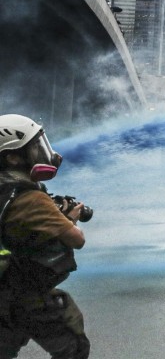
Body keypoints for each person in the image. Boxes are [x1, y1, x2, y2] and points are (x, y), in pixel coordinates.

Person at [0, 114, 89, 358]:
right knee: (73, 348)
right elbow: (77, 240)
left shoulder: (6, 190)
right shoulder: (30, 198)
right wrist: (69, 217)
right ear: (13, 157)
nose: (42, 153)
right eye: (34, 148)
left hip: (5, 291)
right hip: (24, 293)